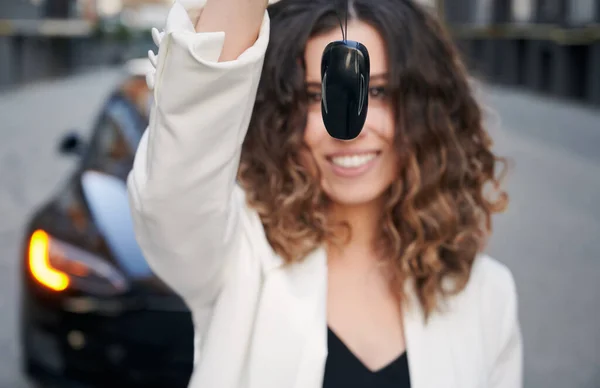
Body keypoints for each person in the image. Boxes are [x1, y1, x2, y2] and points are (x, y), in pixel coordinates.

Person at [127, 0, 523, 387]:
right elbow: (178, 179)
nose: (349, 126)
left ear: (428, 111)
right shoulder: (240, 258)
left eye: (380, 92)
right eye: (316, 96)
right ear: (276, 117)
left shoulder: (487, 295)